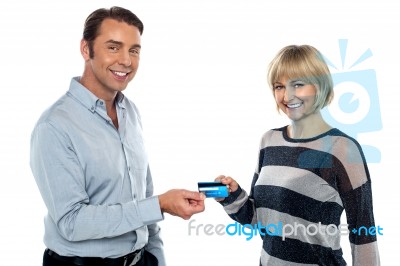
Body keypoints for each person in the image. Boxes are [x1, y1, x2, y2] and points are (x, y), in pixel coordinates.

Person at [30, 6, 205, 266]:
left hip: (140, 259)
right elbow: (71, 222)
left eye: (134, 50)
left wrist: (156, 256)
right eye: (113, 47)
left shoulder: (130, 112)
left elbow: (142, 194)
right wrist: (160, 206)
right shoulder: (54, 126)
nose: (126, 60)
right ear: (85, 49)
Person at [215, 45, 380, 265]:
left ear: (320, 86)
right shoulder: (268, 141)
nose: (287, 95)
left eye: (298, 84)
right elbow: (258, 219)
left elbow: (364, 231)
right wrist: (232, 197)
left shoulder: (343, 149)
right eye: (279, 86)